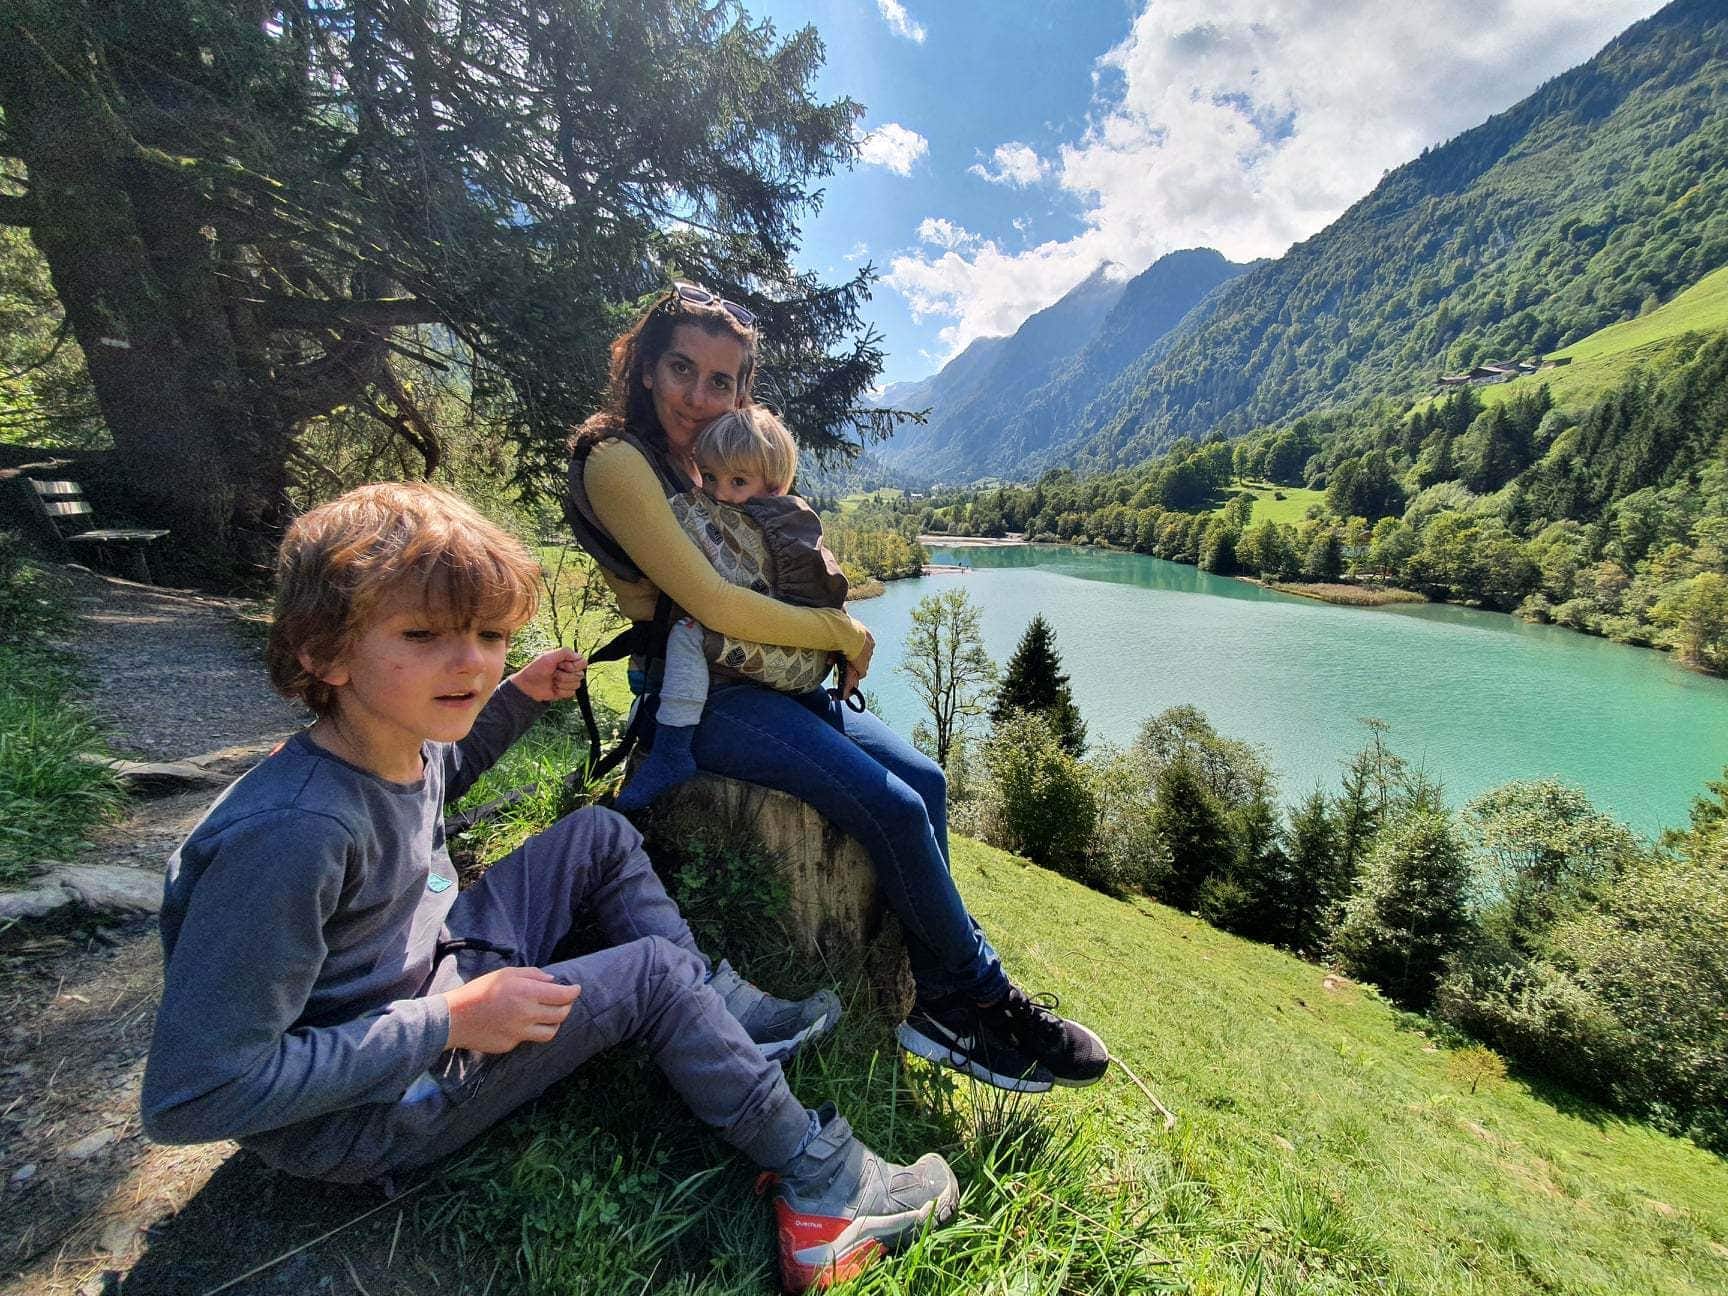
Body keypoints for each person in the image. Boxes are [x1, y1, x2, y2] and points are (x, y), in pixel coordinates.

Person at [139, 482, 957, 1292]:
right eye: (423, 634)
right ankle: (826, 1191)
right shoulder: (293, 834)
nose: (471, 662)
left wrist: (519, 697)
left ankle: (722, 1019)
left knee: (599, 836)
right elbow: (198, 1092)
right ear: (321, 652)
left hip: (434, 967)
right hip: (371, 1111)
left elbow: (439, 776)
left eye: (489, 633)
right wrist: (452, 1021)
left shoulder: (387, 741)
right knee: (651, 974)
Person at [568, 283, 1111, 1094]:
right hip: (701, 698)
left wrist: (823, 626)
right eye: (681, 368)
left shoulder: (711, 458)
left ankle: (935, 982)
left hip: (770, 678)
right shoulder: (617, 460)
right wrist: (842, 632)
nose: (699, 395)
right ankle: (974, 998)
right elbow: (712, 602)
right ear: (646, 368)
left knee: (925, 781)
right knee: (893, 809)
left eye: (721, 381)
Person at [617, 405, 846, 811]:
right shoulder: (792, 523)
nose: (719, 492)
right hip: (787, 658)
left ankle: (672, 749)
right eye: (709, 476)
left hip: (759, 647)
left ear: (773, 486)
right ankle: (809, 703)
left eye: (738, 481)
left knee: (687, 635)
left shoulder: (734, 521)